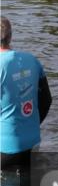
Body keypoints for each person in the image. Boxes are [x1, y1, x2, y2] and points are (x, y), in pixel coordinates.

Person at [0, 16, 52, 171]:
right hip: (33, 143)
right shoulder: (32, 60)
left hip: (4, 150)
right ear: (10, 36)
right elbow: (47, 100)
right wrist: (31, 125)